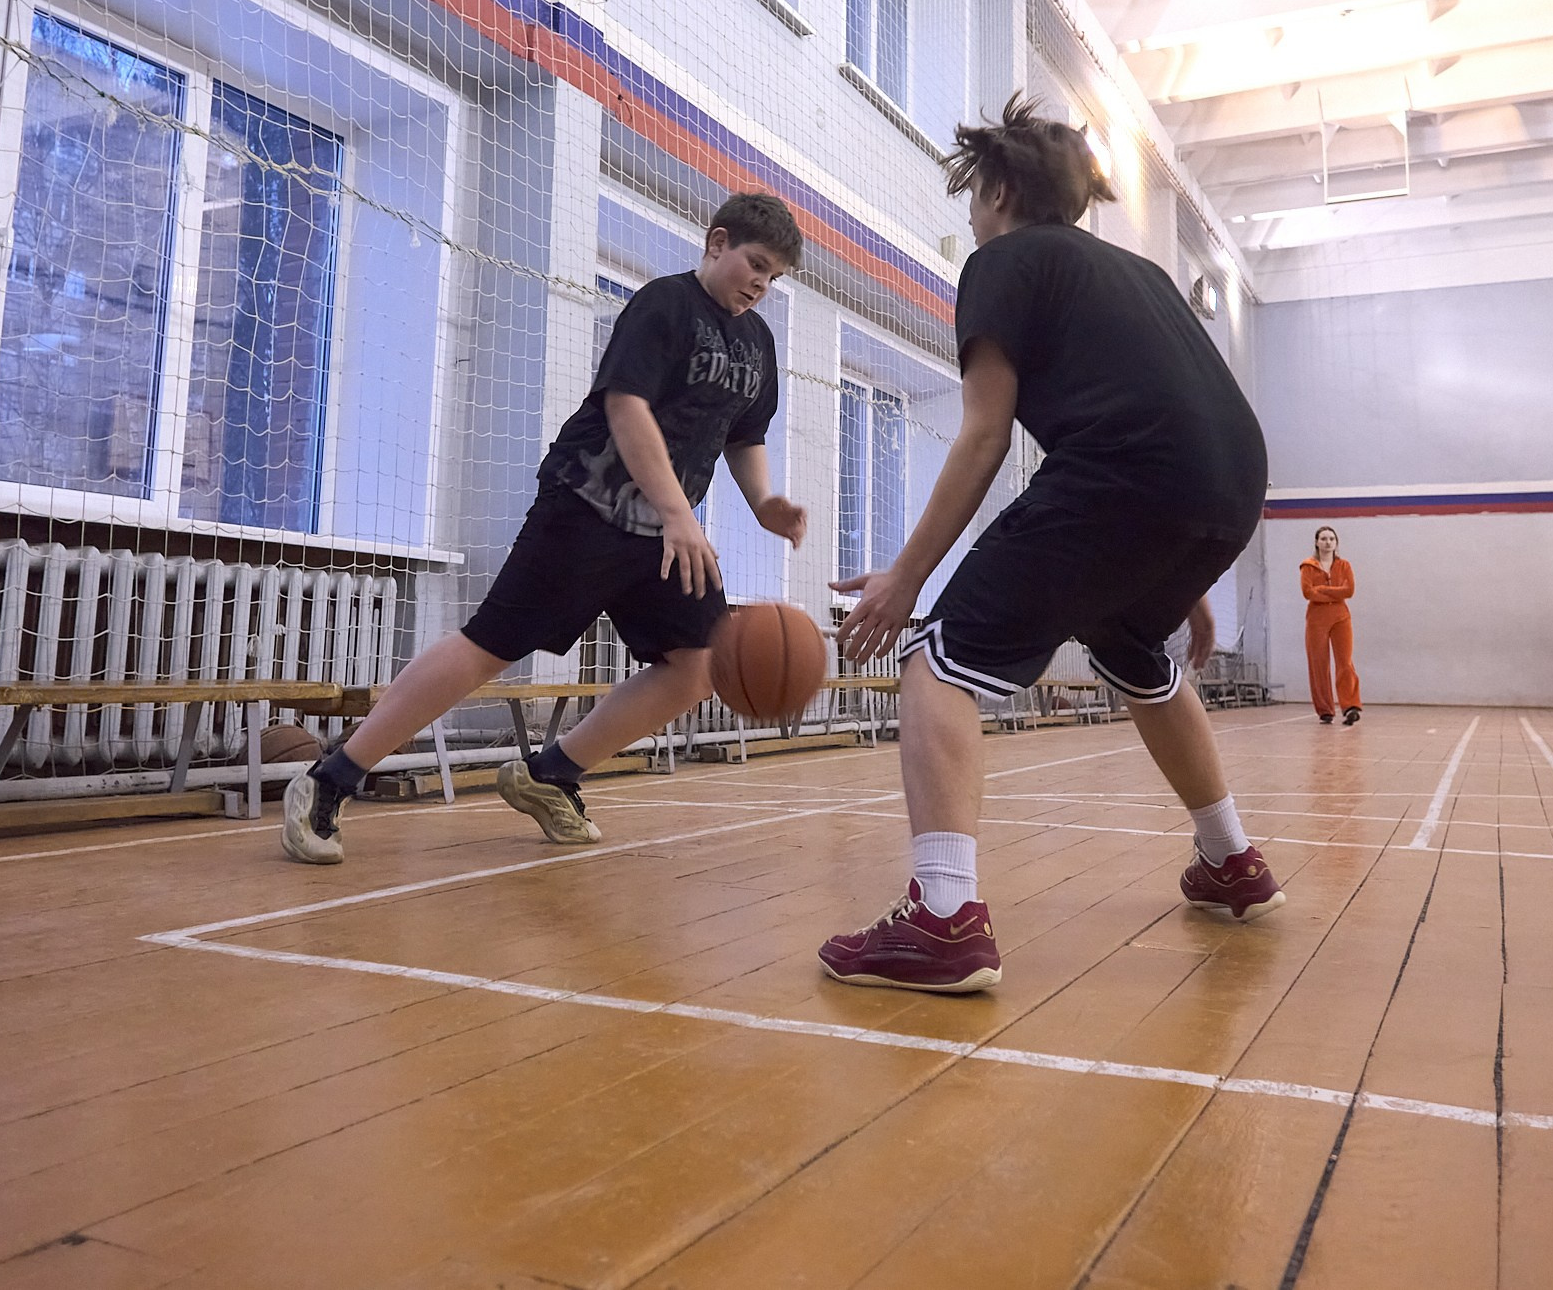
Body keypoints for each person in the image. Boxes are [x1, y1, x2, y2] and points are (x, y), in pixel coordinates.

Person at [819, 97, 1278, 994]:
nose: (970, 216)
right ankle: (1230, 858)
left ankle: (943, 918)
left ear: (997, 189)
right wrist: (1180, 575)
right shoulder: (1138, 272)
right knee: (1128, 644)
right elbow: (1175, 401)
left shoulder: (1003, 262)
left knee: (937, 661)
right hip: (1228, 479)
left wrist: (906, 581)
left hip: (1131, 473)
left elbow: (984, 433)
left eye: (971, 197)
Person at [279, 193, 809, 863]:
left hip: (664, 533)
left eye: (774, 277)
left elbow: (743, 435)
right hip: (585, 504)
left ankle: (549, 773)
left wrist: (763, 502)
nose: (761, 284)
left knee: (699, 666)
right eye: (755, 264)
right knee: (491, 645)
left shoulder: (756, 343)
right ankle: (331, 777)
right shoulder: (664, 305)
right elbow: (627, 409)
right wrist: (680, 511)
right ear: (717, 242)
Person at [1301, 525, 1361, 725]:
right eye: (1324, 539)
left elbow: (1349, 591)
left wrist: (1323, 590)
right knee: (1319, 663)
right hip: (1316, 618)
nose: (1328, 542)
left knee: (1345, 661)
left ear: (1336, 543)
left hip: (1340, 617)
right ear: (1317, 542)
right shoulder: (1308, 566)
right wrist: (1336, 591)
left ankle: (1350, 706)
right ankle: (1325, 710)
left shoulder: (1344, 566)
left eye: (1331, 539)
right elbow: (1308, 592)